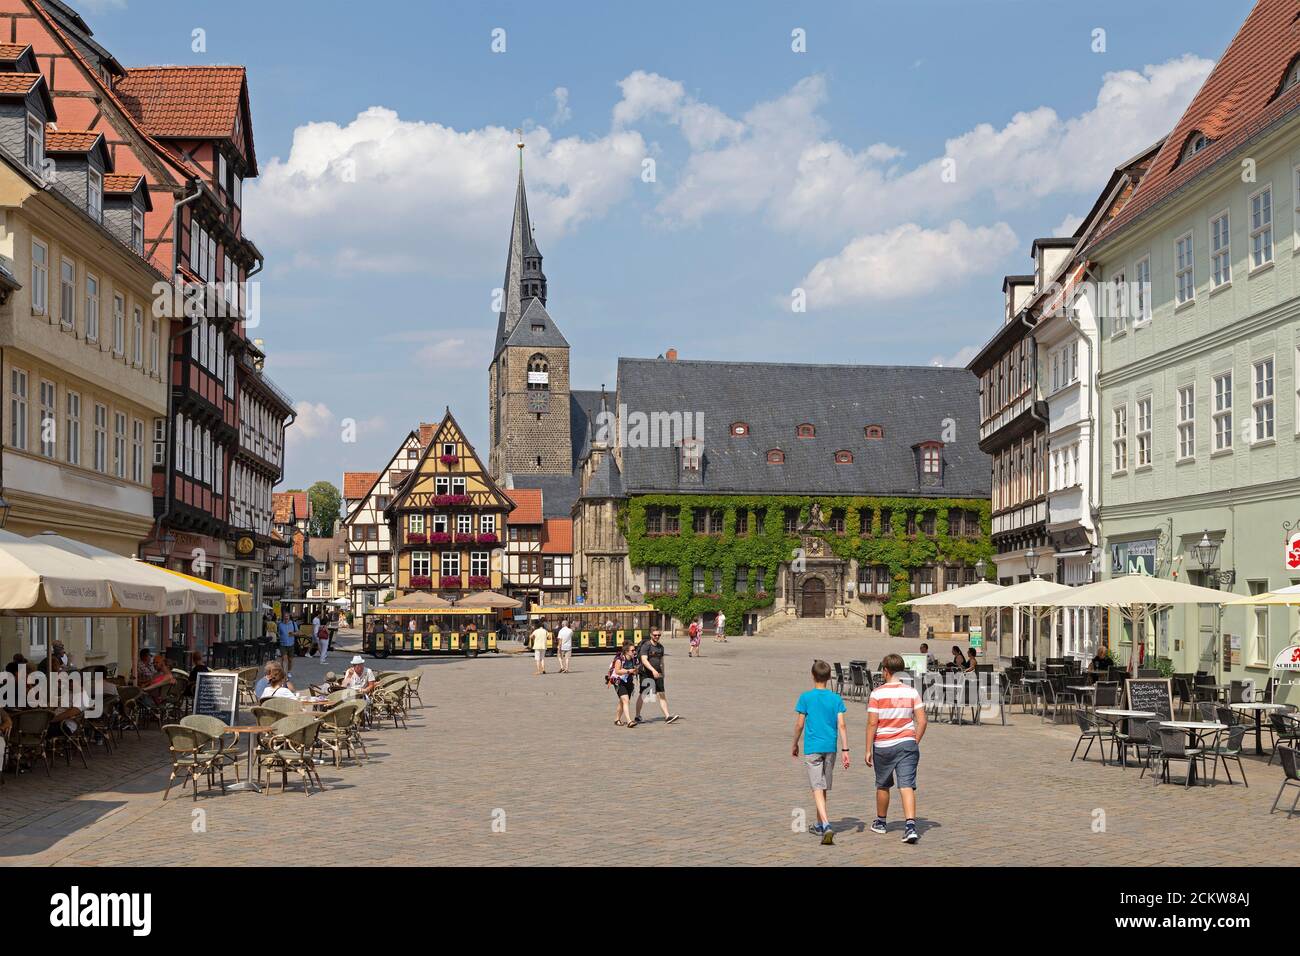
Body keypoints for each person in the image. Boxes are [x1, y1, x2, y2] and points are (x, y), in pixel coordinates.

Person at [866, 653, 928, 844]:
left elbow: (872, 724)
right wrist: (913, 740)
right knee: (907, 785)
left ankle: (881, 822)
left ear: (885, 670)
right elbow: (922, 721)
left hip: (883, 745)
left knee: (883, 784)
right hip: (907, 743)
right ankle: (910, 825)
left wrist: (868, 749)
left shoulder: (877, 693)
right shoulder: (911, 692)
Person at [793, 660, 850, 844]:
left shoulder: (806, 697)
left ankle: (825, 824)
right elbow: (842, 724)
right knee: (823, 785)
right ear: (828, 677)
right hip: (830, 748)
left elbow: (800, 724)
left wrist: (794, 743)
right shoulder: (836, 699)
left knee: (816, 787)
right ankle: (819, 823)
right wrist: (845, 749)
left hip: (813, 747)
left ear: (812, 676)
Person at [634, 629, 679, 725]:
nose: (657, 637)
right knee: (643, 695)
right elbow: (644, 660)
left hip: (658, 674)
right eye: (655, 635)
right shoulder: (646, 646)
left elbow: (662, 661)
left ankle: (667, 716)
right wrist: (653, 670)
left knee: (662, 694)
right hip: (646, 673)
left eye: (659, 635)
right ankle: (637, 716)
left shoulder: (661, 647)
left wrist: (663, 673)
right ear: (651, 635)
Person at [608, 641, 639, 727]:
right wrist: (628, 671)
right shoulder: (620, 659)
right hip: (619, 681)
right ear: (626, 651)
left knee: (622, 702)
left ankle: (617, 719)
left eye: (634, 650)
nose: (634, 652)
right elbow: (617, 671)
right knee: (626, 700)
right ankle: (629, 721)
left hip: (628, 681)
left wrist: (636, 671)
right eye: (632, 650)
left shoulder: (634, 659)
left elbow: (636, 669)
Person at [276, 614, 296, 679]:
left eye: (287, 616)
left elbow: (298, 632)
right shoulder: (280, 624)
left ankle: (289, 671)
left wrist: (293, 633)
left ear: (289, 617)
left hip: (291, 644)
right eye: (285, 616)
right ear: (283, 617)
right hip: (283, 644)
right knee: (284, 658)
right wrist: (279, 636)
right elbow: (278, 632)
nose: (286, 618)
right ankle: (284, 672)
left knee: (290, 660)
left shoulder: (293, 623)